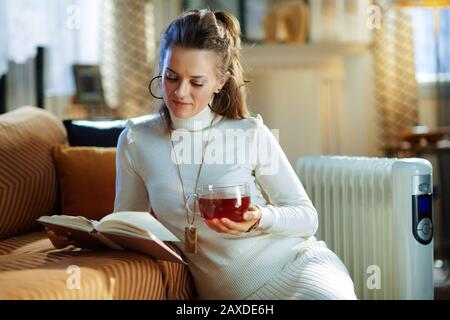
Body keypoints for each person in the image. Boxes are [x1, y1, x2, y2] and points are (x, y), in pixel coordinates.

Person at [48, 9, 356, 300]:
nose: (180, 92)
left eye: (196, 82)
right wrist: (84, 238)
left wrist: (260, 218)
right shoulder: (136, 140)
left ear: (220, 82)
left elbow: (307, 217)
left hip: (299, 268)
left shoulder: (249, 133)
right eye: (171, 77)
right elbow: (127, 225)